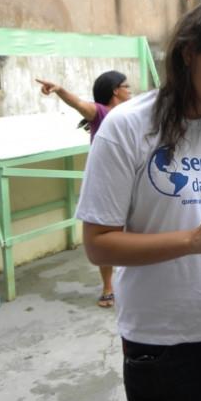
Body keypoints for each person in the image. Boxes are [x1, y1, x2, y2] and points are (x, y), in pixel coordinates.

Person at [75, 0, 201, 401]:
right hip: (161, 336)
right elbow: (99, 244)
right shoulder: (127, 127)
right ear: (188, 53)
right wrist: (191, 241)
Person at [37, 70, 132, 308]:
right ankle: (108, 287)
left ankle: (132, 284)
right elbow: (78, 103)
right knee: (107, 235)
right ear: (115, 90)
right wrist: (59, 89)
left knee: (134, 234)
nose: (131, 90)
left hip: (131, 179)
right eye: (126, 86)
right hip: (107, 184)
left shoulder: (133, 114)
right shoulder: (100, 113)